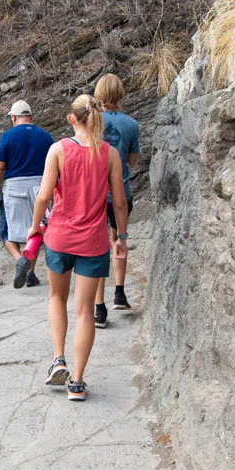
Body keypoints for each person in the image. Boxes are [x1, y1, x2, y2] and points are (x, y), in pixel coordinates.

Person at [27, 94, 127, 402]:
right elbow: (119, 202)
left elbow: (44, 196)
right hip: (94, 242)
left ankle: (58, 359)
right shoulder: (109, 154)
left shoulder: (58, 150)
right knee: (85, 311)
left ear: (72, 118)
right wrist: (121, 237)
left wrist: (34, 228)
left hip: (59, 237)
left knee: (57, 297)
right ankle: (77, 382)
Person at [0, 100, 53, 289]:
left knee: (6, 231)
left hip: (14, 189)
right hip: (40, 187)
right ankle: (30, 272)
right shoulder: (46, 137)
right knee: (37, 227)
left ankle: (19, 260)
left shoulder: (8, 136)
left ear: (13, 117)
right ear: (30, 116)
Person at [93, 73, 140, 327]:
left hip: (96, 195)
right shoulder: (131, 125)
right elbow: (132, 160)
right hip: (120, 192)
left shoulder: (91, 121)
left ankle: (99, 307)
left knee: (98, 247)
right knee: (119, 240)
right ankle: (119, 293)